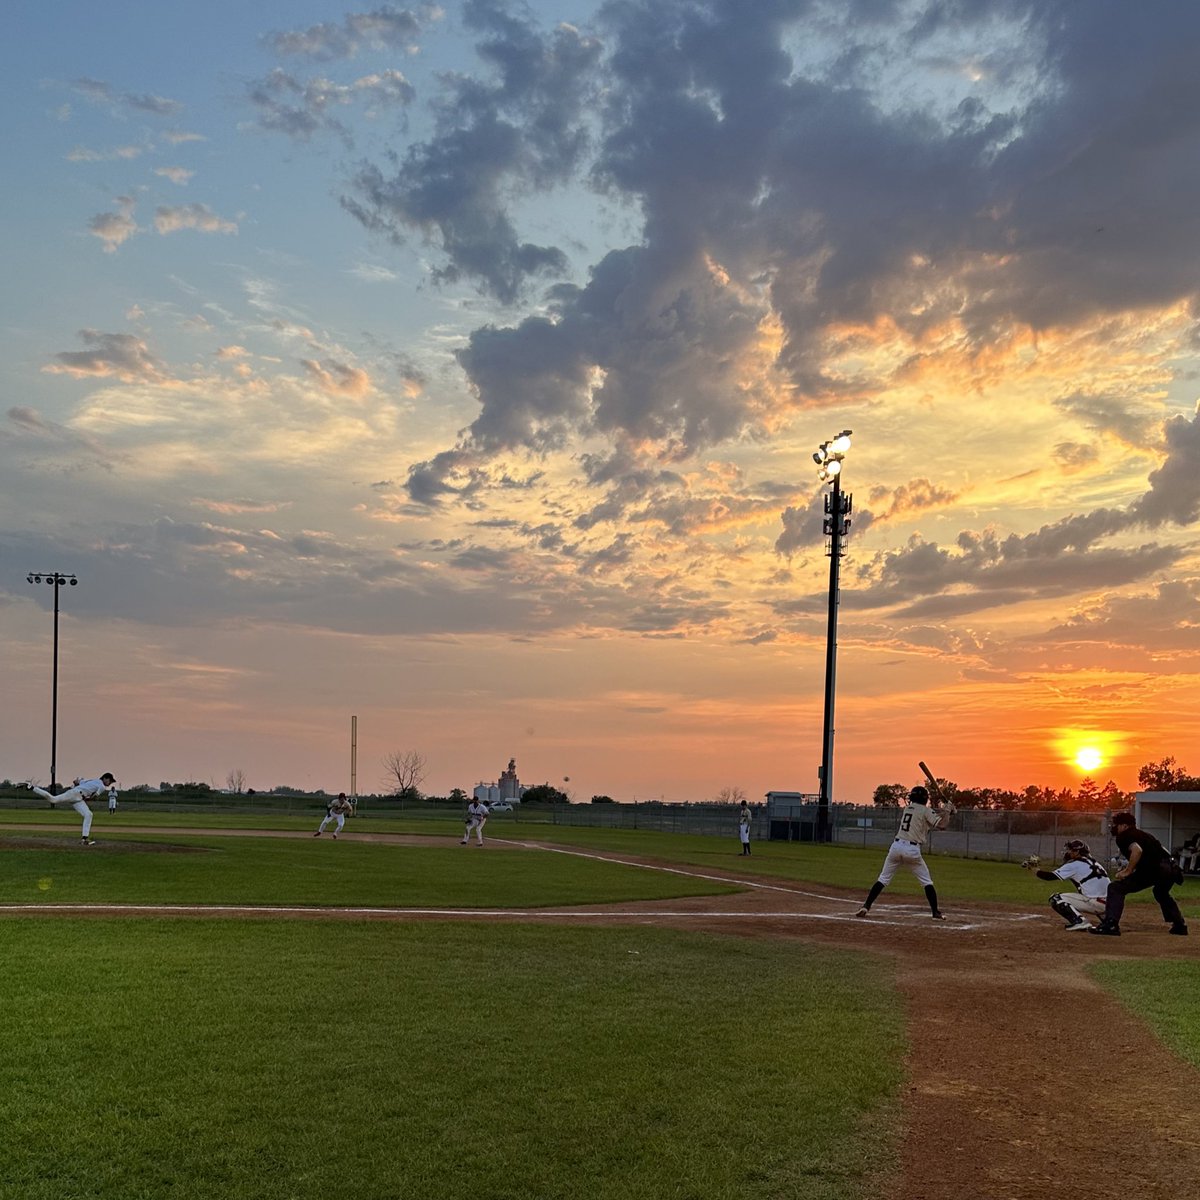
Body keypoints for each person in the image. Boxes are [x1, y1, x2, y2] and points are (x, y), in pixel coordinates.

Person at [856, 785, 950, 921]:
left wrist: (947, 812)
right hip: (912, 851)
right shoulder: (925, 810)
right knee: (927, 882)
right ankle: (935, 912)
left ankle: (866, 906)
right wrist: (947, 810)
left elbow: (932, 819)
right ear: (925, 798)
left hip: (896, 847)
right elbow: (942, 825)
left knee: (883, 879)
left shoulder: (908, 808)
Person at [1091, 811, 1188, 937]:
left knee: (1115, 888)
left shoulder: (1124, 836)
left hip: (1155, 869)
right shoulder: (1144, 834)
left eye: (1116, 825)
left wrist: (1128, 871)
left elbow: (1137, 850)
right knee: (1160, 893)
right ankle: (1179, 925)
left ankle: (1111, 925)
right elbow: (1162, 851)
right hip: (1171, 868)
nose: (1113, 827)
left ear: (1125, 826)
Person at [1024, 840, 1109, 931]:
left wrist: (1035, 869)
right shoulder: (1096, 864)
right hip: (1110, 904)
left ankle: (1079, 921)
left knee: (1056, 898)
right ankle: (1108, 921)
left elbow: (1049, 877)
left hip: (1095, 903)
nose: (1069, 852)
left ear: (1077, 852)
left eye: (1071, 850)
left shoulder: (1075, 864)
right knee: (1091, 895)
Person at [28, 773, 116, 845]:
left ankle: (84, 839)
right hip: (75, 794)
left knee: (88, 814)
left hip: (78, 797)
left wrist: (78, 783)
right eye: (110, 780)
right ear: (105, 778)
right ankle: (32, 787)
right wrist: (88, 798)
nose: (110, 783)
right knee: (53, 799)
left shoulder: (93, 780)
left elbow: (76, 781)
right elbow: (94, 796)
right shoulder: (102, 786)